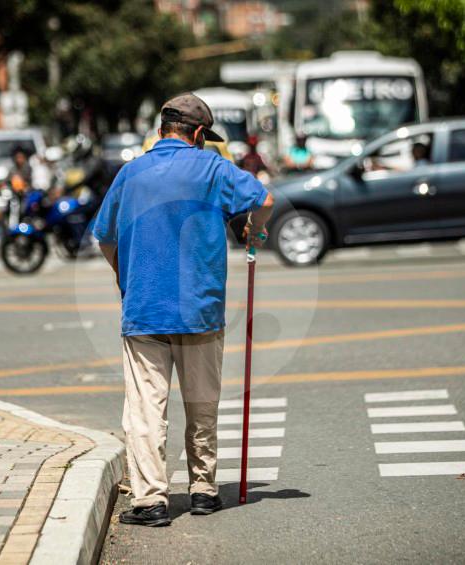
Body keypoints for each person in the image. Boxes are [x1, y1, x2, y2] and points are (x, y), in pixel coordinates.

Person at [93, 93, 275, 527]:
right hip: (201, 310)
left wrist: (126, 277)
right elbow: (264, 200)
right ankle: (204, 491)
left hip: (144, 310)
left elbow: (105, 237)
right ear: (197, 134)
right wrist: (253, 231)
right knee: (201, 403)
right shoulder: (212, 167)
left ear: (160, 130)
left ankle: (151, 501)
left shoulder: (130, 174)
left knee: (145, 409)